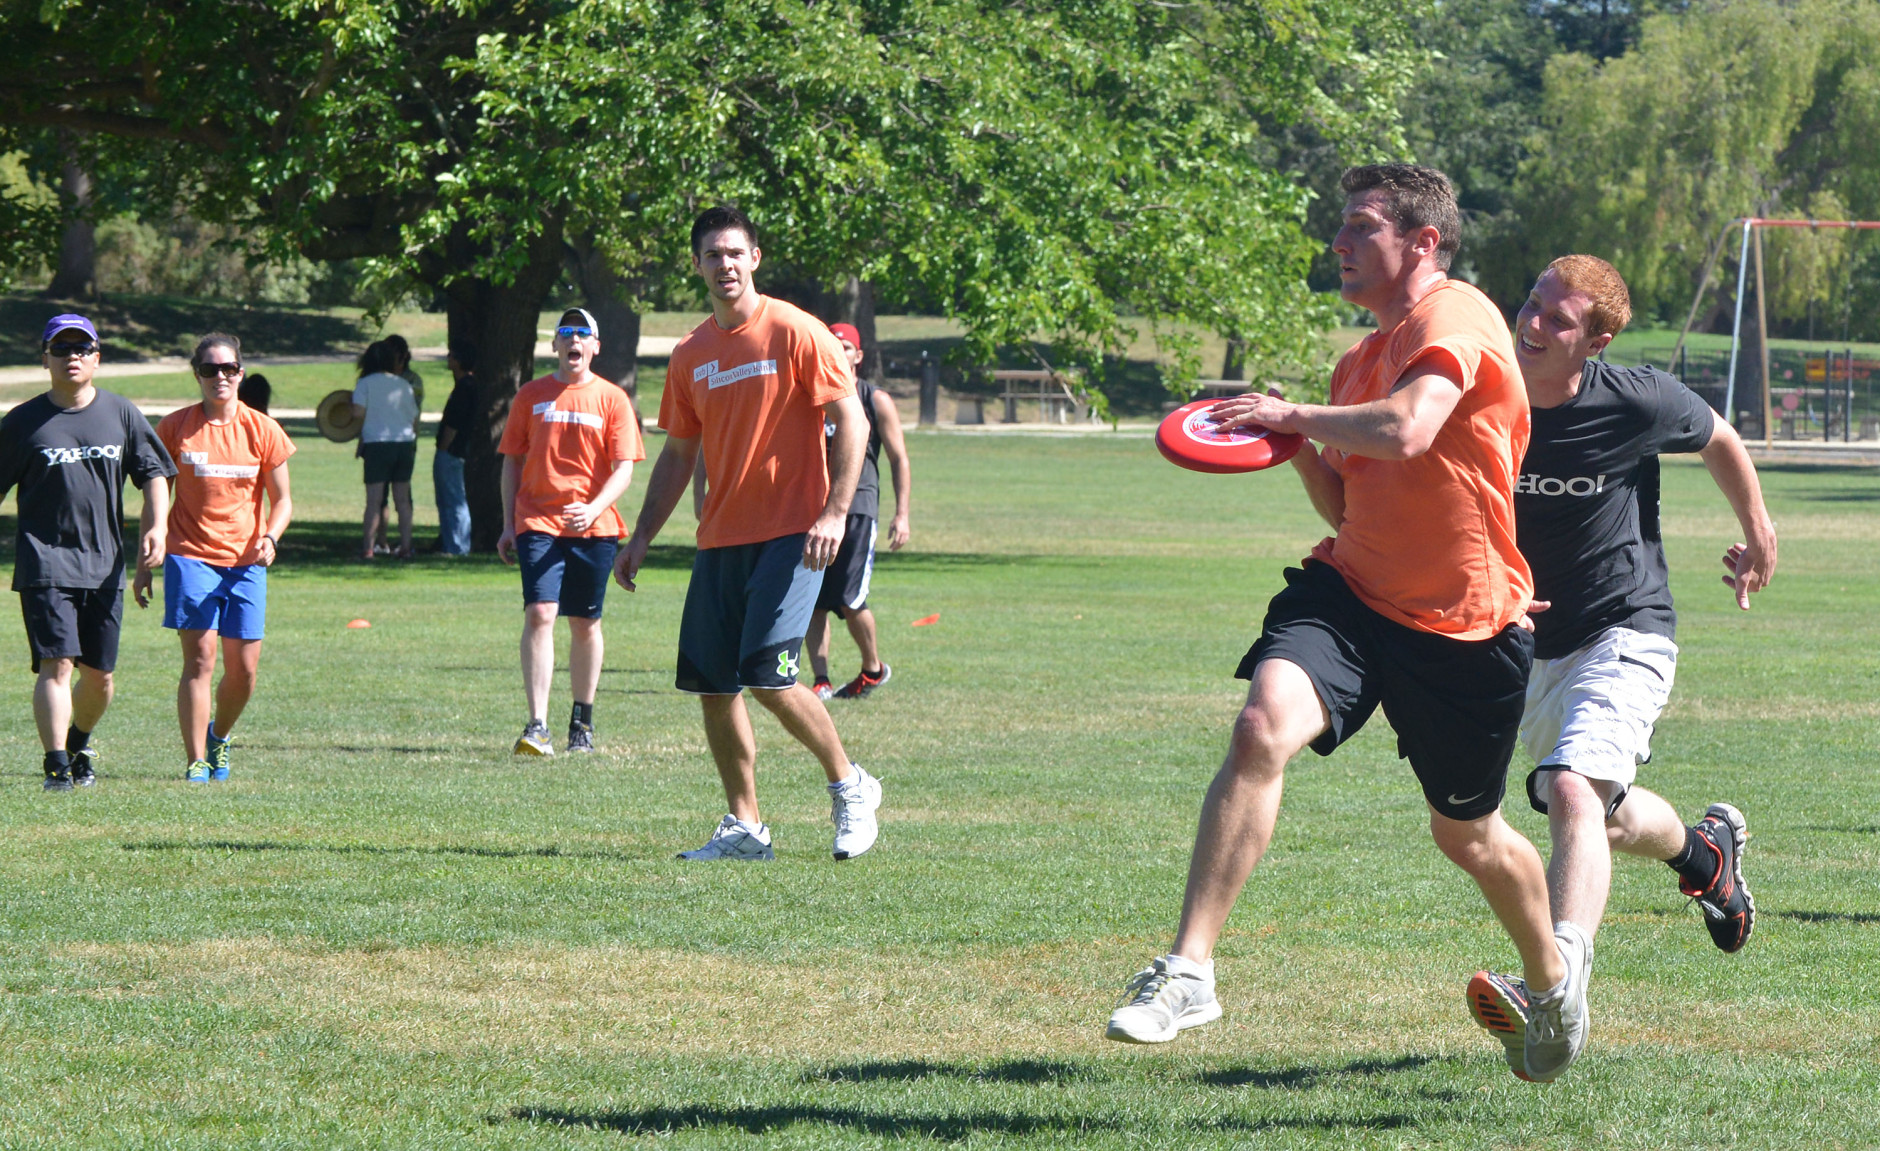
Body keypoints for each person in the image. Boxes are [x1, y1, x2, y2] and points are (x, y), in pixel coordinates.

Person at [1103, 164, 1587, 1084]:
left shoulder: (1461, 317)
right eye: (1341, 228)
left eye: (1361, 227)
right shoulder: (1355, 361)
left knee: (1469, 834)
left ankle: (1554, 979)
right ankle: (1190, 968)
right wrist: (1291, 446)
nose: (1339, 244)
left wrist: (1295, 412)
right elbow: (1345, 499)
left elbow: (1409, 429)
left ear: (1423, 242)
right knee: (1260, 728)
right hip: (1352, 594)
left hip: (1464, 628)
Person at [1463, 255, 1774, 1073]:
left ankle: (1558, 986)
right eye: (1531, 303)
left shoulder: (1631, 397)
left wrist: (1760, 529)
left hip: (1626, 627)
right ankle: (1705, 856)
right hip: (1525, 641)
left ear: (1593, 339)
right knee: (1594, 813)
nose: (1532, 323)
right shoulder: (1483, 388)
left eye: (1557, 320)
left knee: (1573, 787)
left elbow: (1718, 435)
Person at [615, 205, 883, 862]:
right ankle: (745, 827)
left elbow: (852, 422)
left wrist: (833, 512)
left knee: (768, 672)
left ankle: (850, 785)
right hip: (720, 540)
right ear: (698, 265)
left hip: (795, 531)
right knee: (712, 683)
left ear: (755, 259)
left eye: (735, 252)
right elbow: (679, 453)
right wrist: (643, 534)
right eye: (712, 255)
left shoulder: (796, 330)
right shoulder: (691, 355)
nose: (725, 264)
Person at [0, 314, 174, 790]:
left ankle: (78, 740)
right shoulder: (21, 423)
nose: (71, 357)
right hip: (45, 562)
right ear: (45, 359)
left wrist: (157, 526)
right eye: (61, 349)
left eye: (82, 348)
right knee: (56, 664)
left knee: (99, 678)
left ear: (97, 358)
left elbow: (153, 473)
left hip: (104, 566)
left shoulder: (120, 413)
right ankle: (56, 764)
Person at [136, 334, 295, 783]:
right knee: (200, 660)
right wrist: (144, 563)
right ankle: (196, 760)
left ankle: (219, 736)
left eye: (228, 369)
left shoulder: (263, 430)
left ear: (240, 373)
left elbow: (283, 501)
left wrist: (272, 536)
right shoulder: (174, 428)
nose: (219, 377)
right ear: (197, 374)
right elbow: (155, 500)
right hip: (190, 557)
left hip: (247, 562)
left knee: (243, 671)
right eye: (209, 369)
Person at [497, 307, 643, 755]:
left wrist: (595, 507)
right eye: (566, 333)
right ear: (555, 345)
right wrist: (507, 524)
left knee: (584, 621)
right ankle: (537, 724)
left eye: (583, 333)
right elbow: (512, 461)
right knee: (540, 613)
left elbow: (624, 469)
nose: (574, 340)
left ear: (595, 346)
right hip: (537, 522)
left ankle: (582, 722)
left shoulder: (613, 399)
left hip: (595, 527)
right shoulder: (531, 396)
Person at [805, 321, 912, 701]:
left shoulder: (873, 398)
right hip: (813, 509)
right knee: (812, 599)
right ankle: (821, 679)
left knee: (850, 599)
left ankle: (873, 669)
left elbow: (899, 458)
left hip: (857, 508)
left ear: (858, 355)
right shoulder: (813, 396)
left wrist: (902, 514)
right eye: (832, 347)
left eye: (846, 347)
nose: (839, 352)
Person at [351, 340, 418, 560]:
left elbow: (358, 414)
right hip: (404, 444)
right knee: (403, 499)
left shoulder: (365, 384)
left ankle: (369, 548)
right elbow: (414, 417)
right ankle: (406, 547)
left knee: (374, 500)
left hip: (377, 444)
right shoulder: (403, 385)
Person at [433, 341, 477, 556]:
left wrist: (444, 447)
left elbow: (454, 422)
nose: (448, 359)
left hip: (452, 452)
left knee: (453, 500)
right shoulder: (467, 385)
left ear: (459, 361)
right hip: (456, 451)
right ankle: (451, 543)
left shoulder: (465, 387)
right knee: (448, 500)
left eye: (451, 355)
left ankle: (458, 547)